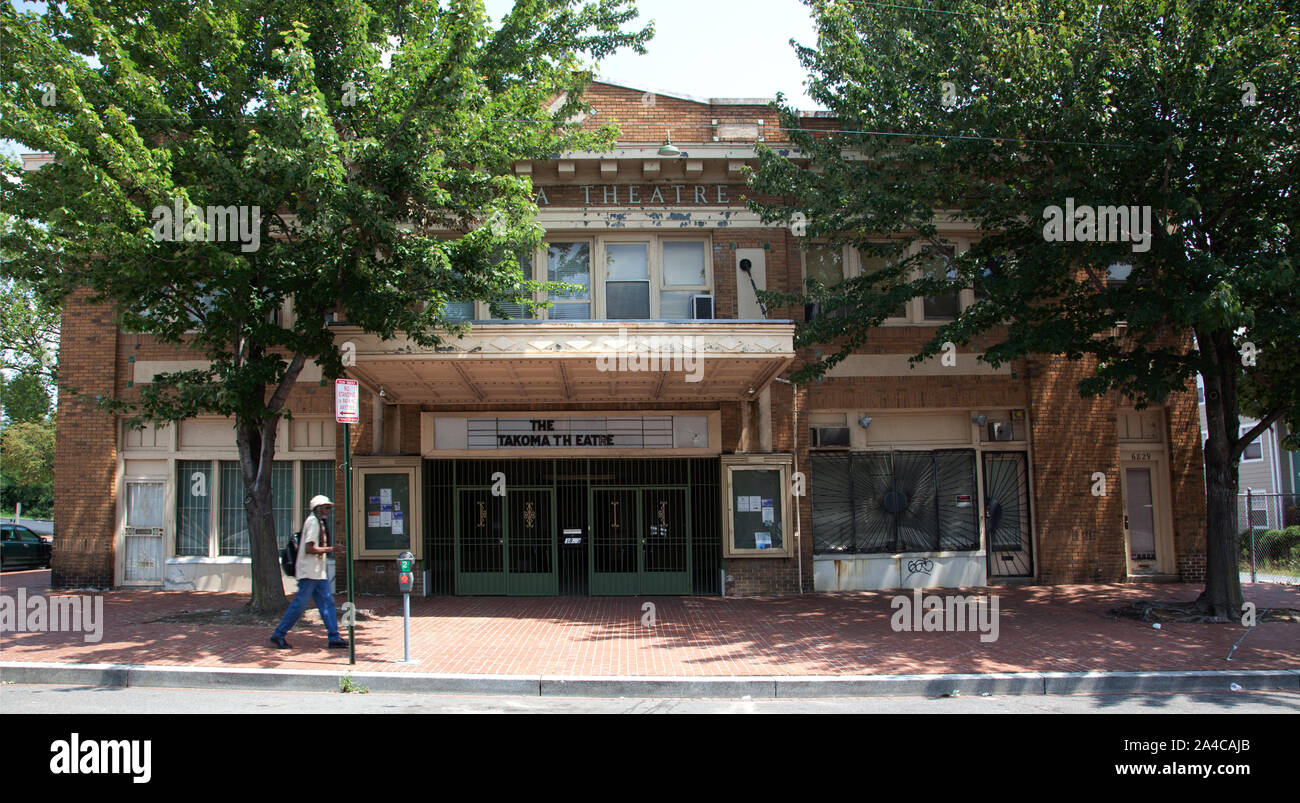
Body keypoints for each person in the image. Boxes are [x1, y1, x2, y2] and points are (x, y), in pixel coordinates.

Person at [270, 495, 347, 649]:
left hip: (318, 572)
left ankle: (334, 637)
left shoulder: (320, 522)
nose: (328, 511)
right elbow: (309, 548)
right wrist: (332, 549)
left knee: (327, 604)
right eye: (326, 507)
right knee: (299, 605)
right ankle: (279, 634)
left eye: (329, 508)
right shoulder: (313, 522)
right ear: (318, 508)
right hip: (309, 572)